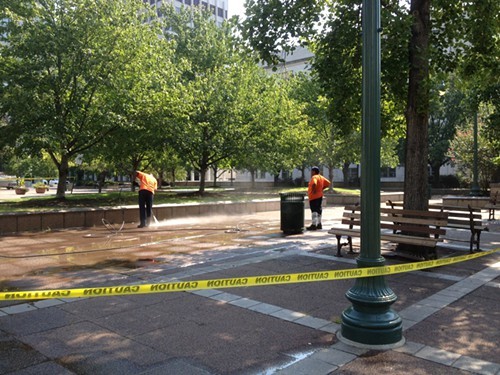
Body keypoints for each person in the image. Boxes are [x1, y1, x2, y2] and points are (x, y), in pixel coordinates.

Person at [307, 166, 330, 230]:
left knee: (314, 210)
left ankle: (314, 225)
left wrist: (314, 190)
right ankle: (319, 224)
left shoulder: (314, 177)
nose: (311, 173)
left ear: (314, 171)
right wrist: (321, 188)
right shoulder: (321, 177)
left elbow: (314, 183)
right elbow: (328, 183)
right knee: (319, 209)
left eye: (311, 171)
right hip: (320, 196)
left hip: (313, 197)